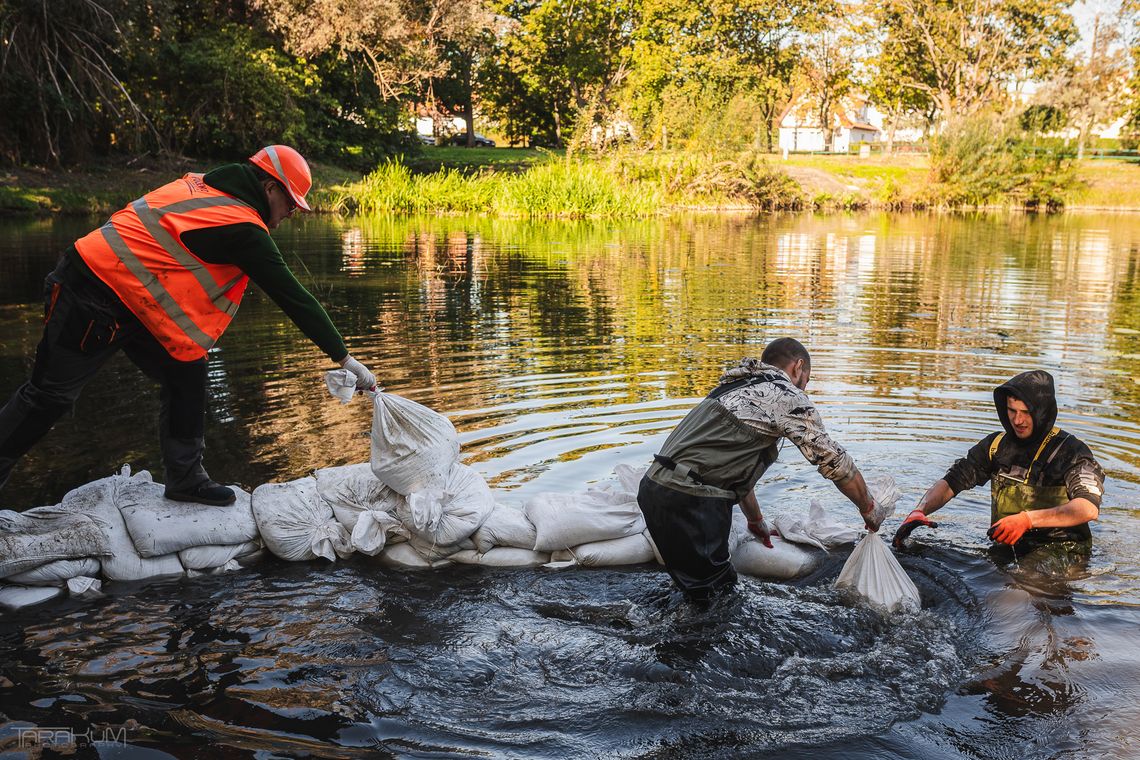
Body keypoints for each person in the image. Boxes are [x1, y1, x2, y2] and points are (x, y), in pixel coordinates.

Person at [0, 145, 376, 507]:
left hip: (133, 301)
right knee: (47, 398)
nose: (293, 212)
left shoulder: (200, 184)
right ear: (269, 188)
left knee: (187, 364)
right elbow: (295, 298)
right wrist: (346, 360)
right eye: (291, 202)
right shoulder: (243, 228)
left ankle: (185, 479)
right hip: (89, 292)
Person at [637, 337, 885, 600]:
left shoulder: (733, 387)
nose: (805, 388)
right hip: (691, 501)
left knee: (695, 591)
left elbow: (729, 467)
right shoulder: (786, 395)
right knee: (718, 600)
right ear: (798, 367)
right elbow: (834, 461)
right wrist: (868, 507)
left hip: (655, 489)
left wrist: (755, 521)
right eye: (807, 380)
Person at [893, 370, 1104, 552]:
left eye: (1026, 413)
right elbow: (953, 481)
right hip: (1006, 547)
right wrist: (920, 510)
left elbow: (1087, 508)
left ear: (1043, 413)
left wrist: (1026, 520)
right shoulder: (995, 445)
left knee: (1009, 596)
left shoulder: (1071, 452)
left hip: (1061, 551)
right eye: (1012, 411)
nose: (1017, 420)